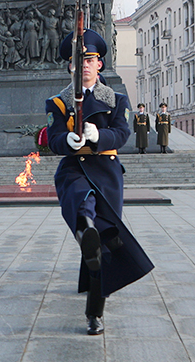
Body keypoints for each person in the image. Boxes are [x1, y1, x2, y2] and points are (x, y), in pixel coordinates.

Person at [45, 29, 154, 335]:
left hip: (106, 172)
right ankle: (87, 230)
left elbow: (121, 134)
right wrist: (67, 139)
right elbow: (53, 140)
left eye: (91, 60)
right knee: (83, 211)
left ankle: (96, 312)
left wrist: (98, 136)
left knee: (101, 248)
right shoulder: (58, 103)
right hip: (75, 170)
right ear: (70, 66)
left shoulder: (117, 99)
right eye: (79, 61)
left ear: (100, 65)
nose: (85, 66)